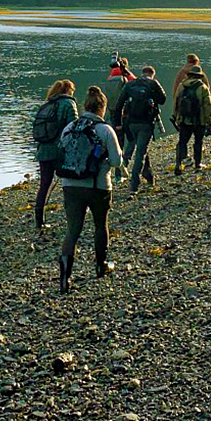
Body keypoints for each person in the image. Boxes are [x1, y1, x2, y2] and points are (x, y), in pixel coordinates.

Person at [57, 86, 122, 293]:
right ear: (102, 107)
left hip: (70, 185)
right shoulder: (104, 130)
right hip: (98, 185)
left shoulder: (69, 127)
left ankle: (65, 278)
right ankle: (100, 266)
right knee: (100, 225)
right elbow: (116, 161)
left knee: (73, 230)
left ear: (85, 106)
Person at [32, 79, 78, 232]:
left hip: (43, 151)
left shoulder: (46, 105)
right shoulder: (69, 104)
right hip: (60, 151)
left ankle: (39, 222)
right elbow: (74, 127)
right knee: (69, 183)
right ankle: (72, 219)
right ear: (69, 90)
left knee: (44, 185)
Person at [113, 65, 166, 194]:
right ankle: (134, 185)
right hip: (146, 123)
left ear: (142, 73)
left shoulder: (131, 84)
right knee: (140, 153)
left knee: (140, 148)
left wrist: (118, 124)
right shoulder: (153, 84)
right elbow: (163, 100)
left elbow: (118, 105)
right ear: (152, 74)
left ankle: (148, 176)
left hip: (130, 123)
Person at [172, 64, 211, 174]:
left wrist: (176, 116)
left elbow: (176, 102)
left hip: (184, 119)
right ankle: (197, 165)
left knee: (182, 142)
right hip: (198, 120)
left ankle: (178, 164)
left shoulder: (181, 86)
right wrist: (208, 122)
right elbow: (207, 106)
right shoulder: (203, 88)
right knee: (198, 142)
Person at [103, 55, 134, 181]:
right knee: (132, 140)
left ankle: (116, 174)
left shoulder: (109, 79)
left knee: (117, 144)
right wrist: (127, 72)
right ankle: (124, 162)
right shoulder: (125, 79)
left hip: (112, 115)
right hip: (126, 115)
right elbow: (135, 83)